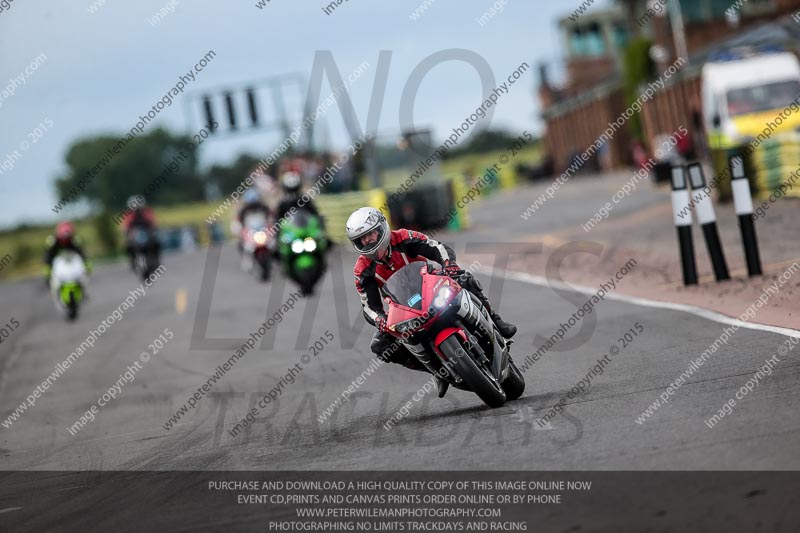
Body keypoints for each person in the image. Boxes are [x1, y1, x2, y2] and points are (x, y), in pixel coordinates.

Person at [345, 207, 516, 398]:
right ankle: (435, 370)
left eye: (370, 234)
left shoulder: (402, 237)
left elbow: (437, 247)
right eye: (361, 238)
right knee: (379, 345)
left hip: (434, 286)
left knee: (465, 278)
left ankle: (496, 321)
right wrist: (381, 320)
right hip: (404, 308)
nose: (367, 240)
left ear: (381, 228)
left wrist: (449, 265)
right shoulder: (362, 269)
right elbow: (369, 306)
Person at [121, 196, 159, 269]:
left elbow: (153, 222)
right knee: (128, 245)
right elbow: (125, 226)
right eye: (135, 208)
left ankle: (155, 259)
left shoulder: (146, 212)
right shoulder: (129, 215)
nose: (137, 210)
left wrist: (154, 228)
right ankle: (132, 261)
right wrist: (126, 232)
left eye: (138, 208)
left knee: (156, 242)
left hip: (147, 234)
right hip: (135, 236)